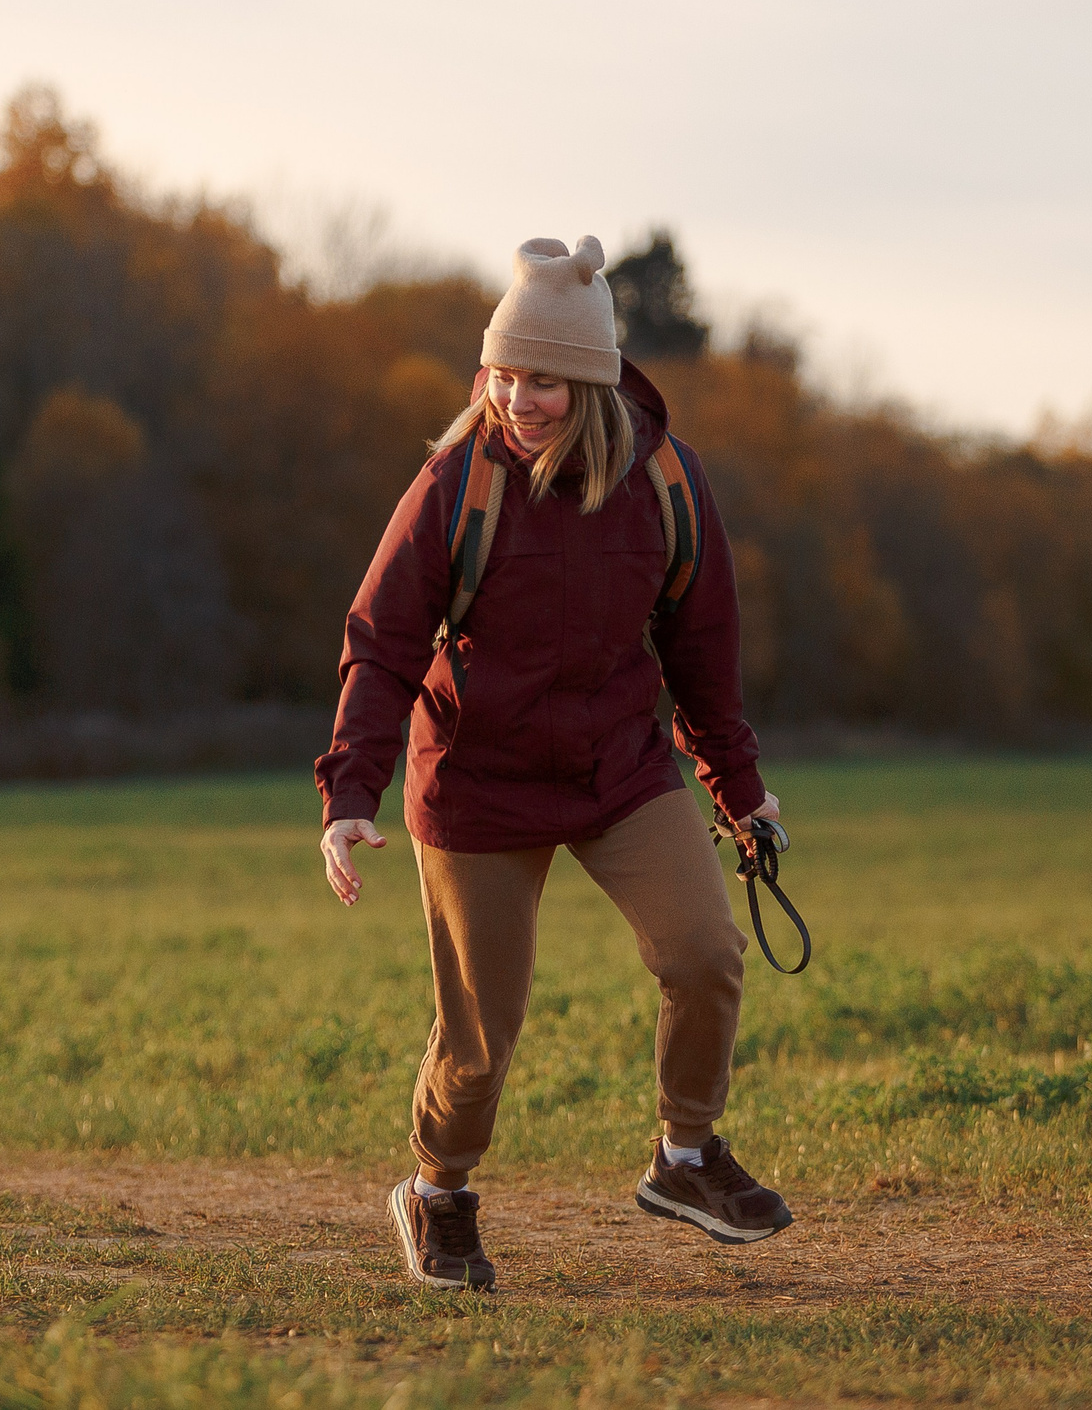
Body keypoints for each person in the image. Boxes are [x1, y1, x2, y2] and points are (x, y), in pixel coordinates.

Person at [315, 234, 792, 1294]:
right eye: (504, 373)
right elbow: (383, 641)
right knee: (479, 1035)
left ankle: (685, 1156)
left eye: (544, 379)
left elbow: (704, 655)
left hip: (618, 768)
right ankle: (436, 1193)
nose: (518, 398)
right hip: (478, 782)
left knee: (706, 952)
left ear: (596, 381)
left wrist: (739, 792)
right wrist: (351, 793)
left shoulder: (665, 482)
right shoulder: (456, 486)